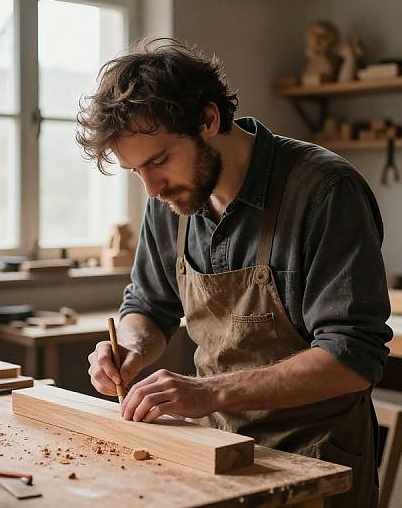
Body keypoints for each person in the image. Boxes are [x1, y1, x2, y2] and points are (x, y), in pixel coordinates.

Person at [76, 38, 392, 507]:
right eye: (135, 170)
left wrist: (209, 391)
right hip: (215, 451)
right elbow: (148, 304)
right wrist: (132, 347)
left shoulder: (325, 190)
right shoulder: (169, 200)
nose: (152, 187)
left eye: (159, 160)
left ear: (208, 119)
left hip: (316, 460)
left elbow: (352, 359)